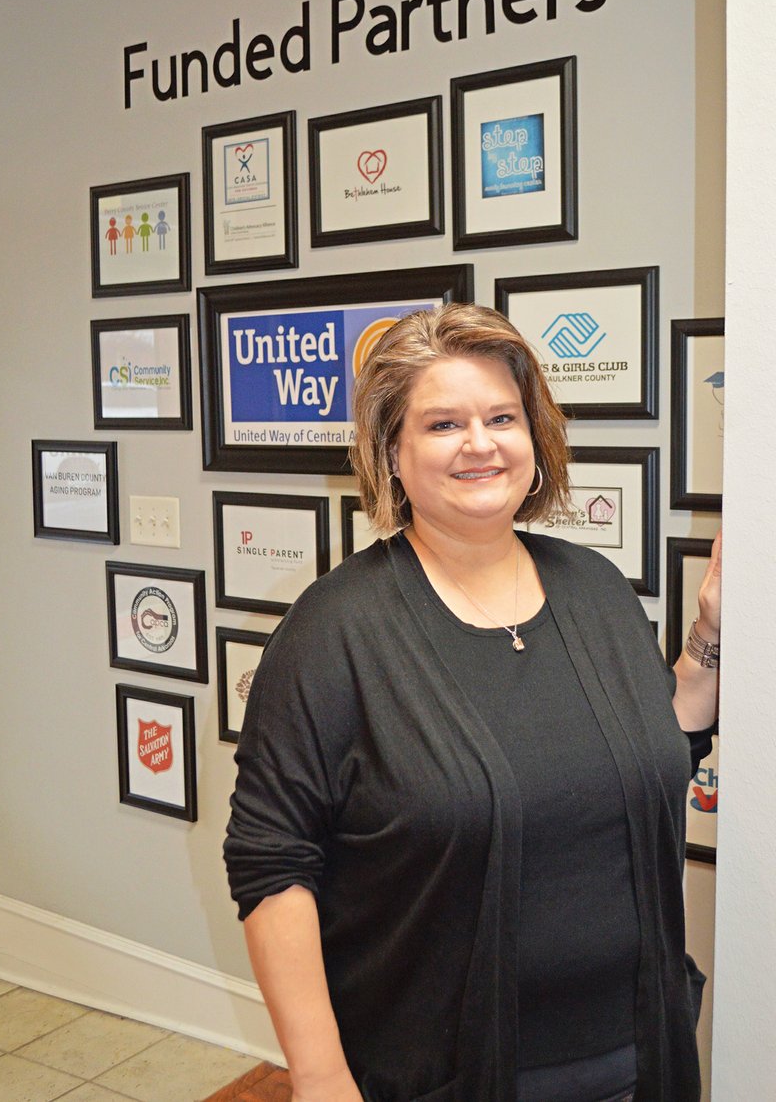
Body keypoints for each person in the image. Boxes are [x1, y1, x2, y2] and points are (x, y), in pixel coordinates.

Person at [224, 304, 721, 1102]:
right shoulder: (334, 631)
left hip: (641, 1062)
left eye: (502, 416)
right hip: (442, 1076)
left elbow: (662, 749)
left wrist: (709, 630)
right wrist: (320, 1078)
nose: (480, 443)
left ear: (535, 436)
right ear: (391, 451)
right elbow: (272, 861)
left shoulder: (594, 588)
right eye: (443, 422)